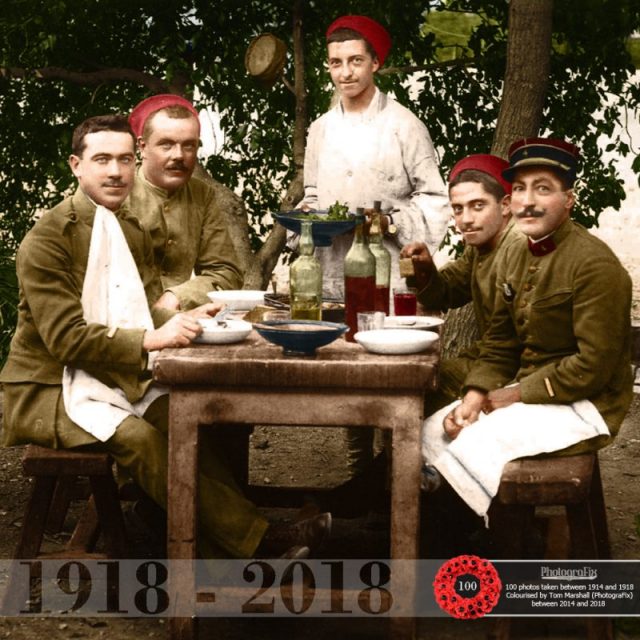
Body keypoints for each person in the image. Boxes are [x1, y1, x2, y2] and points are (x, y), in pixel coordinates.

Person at [0, 115, 329, 559]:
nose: (115, 171)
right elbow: (65, 339)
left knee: (186, 418)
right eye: (101, 160)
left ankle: (214, 552)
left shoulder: (130, 227)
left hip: (110, 372)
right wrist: (151, 341)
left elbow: (139, 310)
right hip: (49, 384)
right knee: (139, 439)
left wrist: (192, 311)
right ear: (76, 166)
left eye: (122, 159)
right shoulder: (48, 239)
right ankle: (259, 541)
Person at [299, 14, 449, 480]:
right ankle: (359, 474)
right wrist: (306, 223)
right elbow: (312, 195)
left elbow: (436, 199)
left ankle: (402, 477)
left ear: (376, 64)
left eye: (355, 61)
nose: (345, 72)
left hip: (388, 269)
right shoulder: (321, 128)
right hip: (334, 265)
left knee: (389, 371)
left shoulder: (404, 125)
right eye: (335, 63)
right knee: (345, 368)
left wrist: (391, 221)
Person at [445, 137, 633, 449]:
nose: (527, 201)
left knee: (471, 444)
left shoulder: (595, 265)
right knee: (433, 432)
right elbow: (501, 343)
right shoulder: (517, 255)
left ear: (569, 198)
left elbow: (593, 367)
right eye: (519, 188)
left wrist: (515, 394)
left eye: (542, 189)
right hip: (529, 394)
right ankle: (369, 499)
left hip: (586, 405)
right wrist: (474, 397)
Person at [401, 153, 519, 415]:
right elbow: (446, 292)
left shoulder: (521, 251)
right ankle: (398, 455)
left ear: (506, 205)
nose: (465, 219)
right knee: (410, 380)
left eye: (478, 206)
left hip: (515, 369)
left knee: (415, 386)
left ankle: (404, 455)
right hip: (491, 358)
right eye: (458, 208)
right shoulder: (480, 249)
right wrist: (424, 270)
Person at [127, 94, 243, 311]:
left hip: (181, 320)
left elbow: (226, 272)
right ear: (142, 147)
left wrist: (178, 297)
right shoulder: (118, 193)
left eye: (189, 146)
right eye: (166, 145)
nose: (179, 155)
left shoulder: (202, 195)